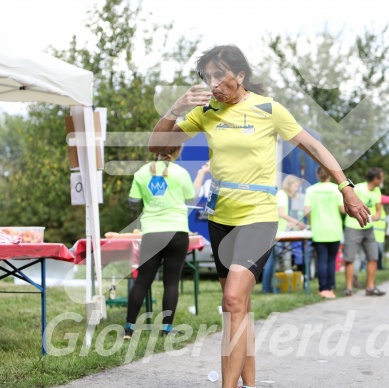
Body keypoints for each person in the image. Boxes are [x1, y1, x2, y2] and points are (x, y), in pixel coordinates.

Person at [148, 44, 370, 388]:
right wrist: (176, 108)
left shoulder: (269, 110)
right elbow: (157, 146)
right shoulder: (206, 113)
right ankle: (249, 384)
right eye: (208, 77)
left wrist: (346, 186)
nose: (214, 83)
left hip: (259, 217)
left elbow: (315, 147)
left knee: (233, 300)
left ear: (240, 75)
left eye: (220, 75)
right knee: (238, 310)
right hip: (220, 219)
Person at [124, 146, 198, 339]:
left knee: (142, 281)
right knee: (171, 282)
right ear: (177, 151)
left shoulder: (141, 172)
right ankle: (166, 329)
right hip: (177, 231)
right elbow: (192, 197)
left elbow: (132, 201)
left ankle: (128, 329)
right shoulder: (181, 173)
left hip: (152, 232)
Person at [342, 167, 386, 297]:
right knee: (349, 258)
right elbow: (347, 205)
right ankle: (349, 288)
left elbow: (378, 207)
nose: (382, 180)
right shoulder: (359, 188)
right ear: (376, 179)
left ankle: (370, 288)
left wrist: (377, 214)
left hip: (369, 228)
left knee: (373, 257)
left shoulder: (377, 191)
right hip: (353, 227)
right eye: (381, 178)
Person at [261, 174, 306, 293]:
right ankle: (267, 288)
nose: (297, 189)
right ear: (290, 185)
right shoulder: (283, 195)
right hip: (275, 233)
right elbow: (281, 213)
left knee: (272, 259)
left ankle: (267, 287)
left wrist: (288, 224)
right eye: (296, 186)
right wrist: (297, 223)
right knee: (271, 260)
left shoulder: (281, 194)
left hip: (275, 230)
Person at [303, 167, 344, 298]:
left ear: (317, 175)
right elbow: (343, 210)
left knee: (321, 260)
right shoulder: (336, 189)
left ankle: (322, 288)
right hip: (335, 229)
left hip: (319, 229)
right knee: (332, 260)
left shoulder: (311, 190)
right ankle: (330, 288)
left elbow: (306, 210)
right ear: (330, 175)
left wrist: (312, 219)